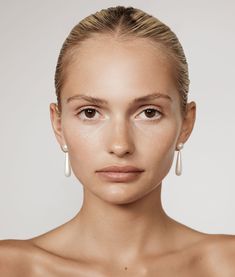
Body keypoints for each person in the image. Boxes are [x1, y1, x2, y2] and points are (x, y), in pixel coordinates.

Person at [0, 5, 234, 276]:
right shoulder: (9, 267)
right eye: (90, 113)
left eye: (149, 113)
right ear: (58, 123)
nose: (120, 145)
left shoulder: (228, 264)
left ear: (186, 124)